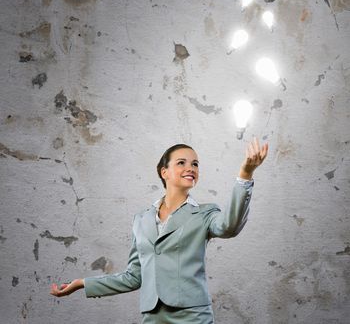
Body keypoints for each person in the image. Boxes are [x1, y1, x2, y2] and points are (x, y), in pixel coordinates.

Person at [51, 138, 268, 323]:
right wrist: (82, 283)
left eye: (195, 164)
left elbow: (229, 227)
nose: (191, 168)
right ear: (164, 172)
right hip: (152, 316)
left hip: (192, 315)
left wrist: (245, 173)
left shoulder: (205, 213)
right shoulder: (141, 219)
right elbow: (133, 276)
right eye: (181, 162)